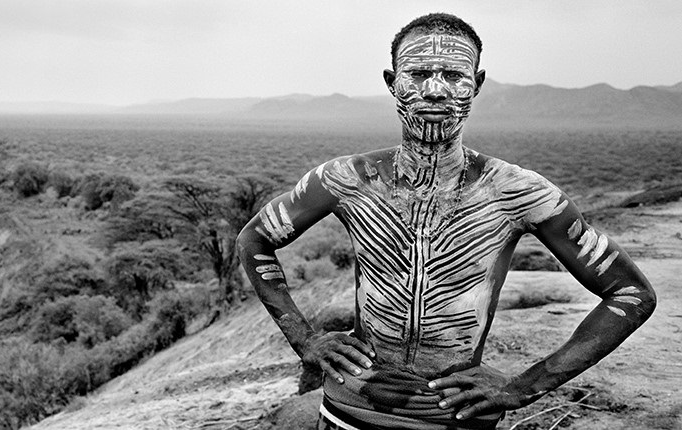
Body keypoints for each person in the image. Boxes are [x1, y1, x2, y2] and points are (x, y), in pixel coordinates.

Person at [236, 12, 656, 430]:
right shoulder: (345, 179)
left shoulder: (519, 192)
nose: (435, 91)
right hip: (349, 410)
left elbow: (631, 293)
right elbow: (255, 239)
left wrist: (524, 386)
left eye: (454, 76)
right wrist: (304, 338)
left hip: (453, 418)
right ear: (391, 81)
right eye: (417, 74)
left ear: (478, 83)